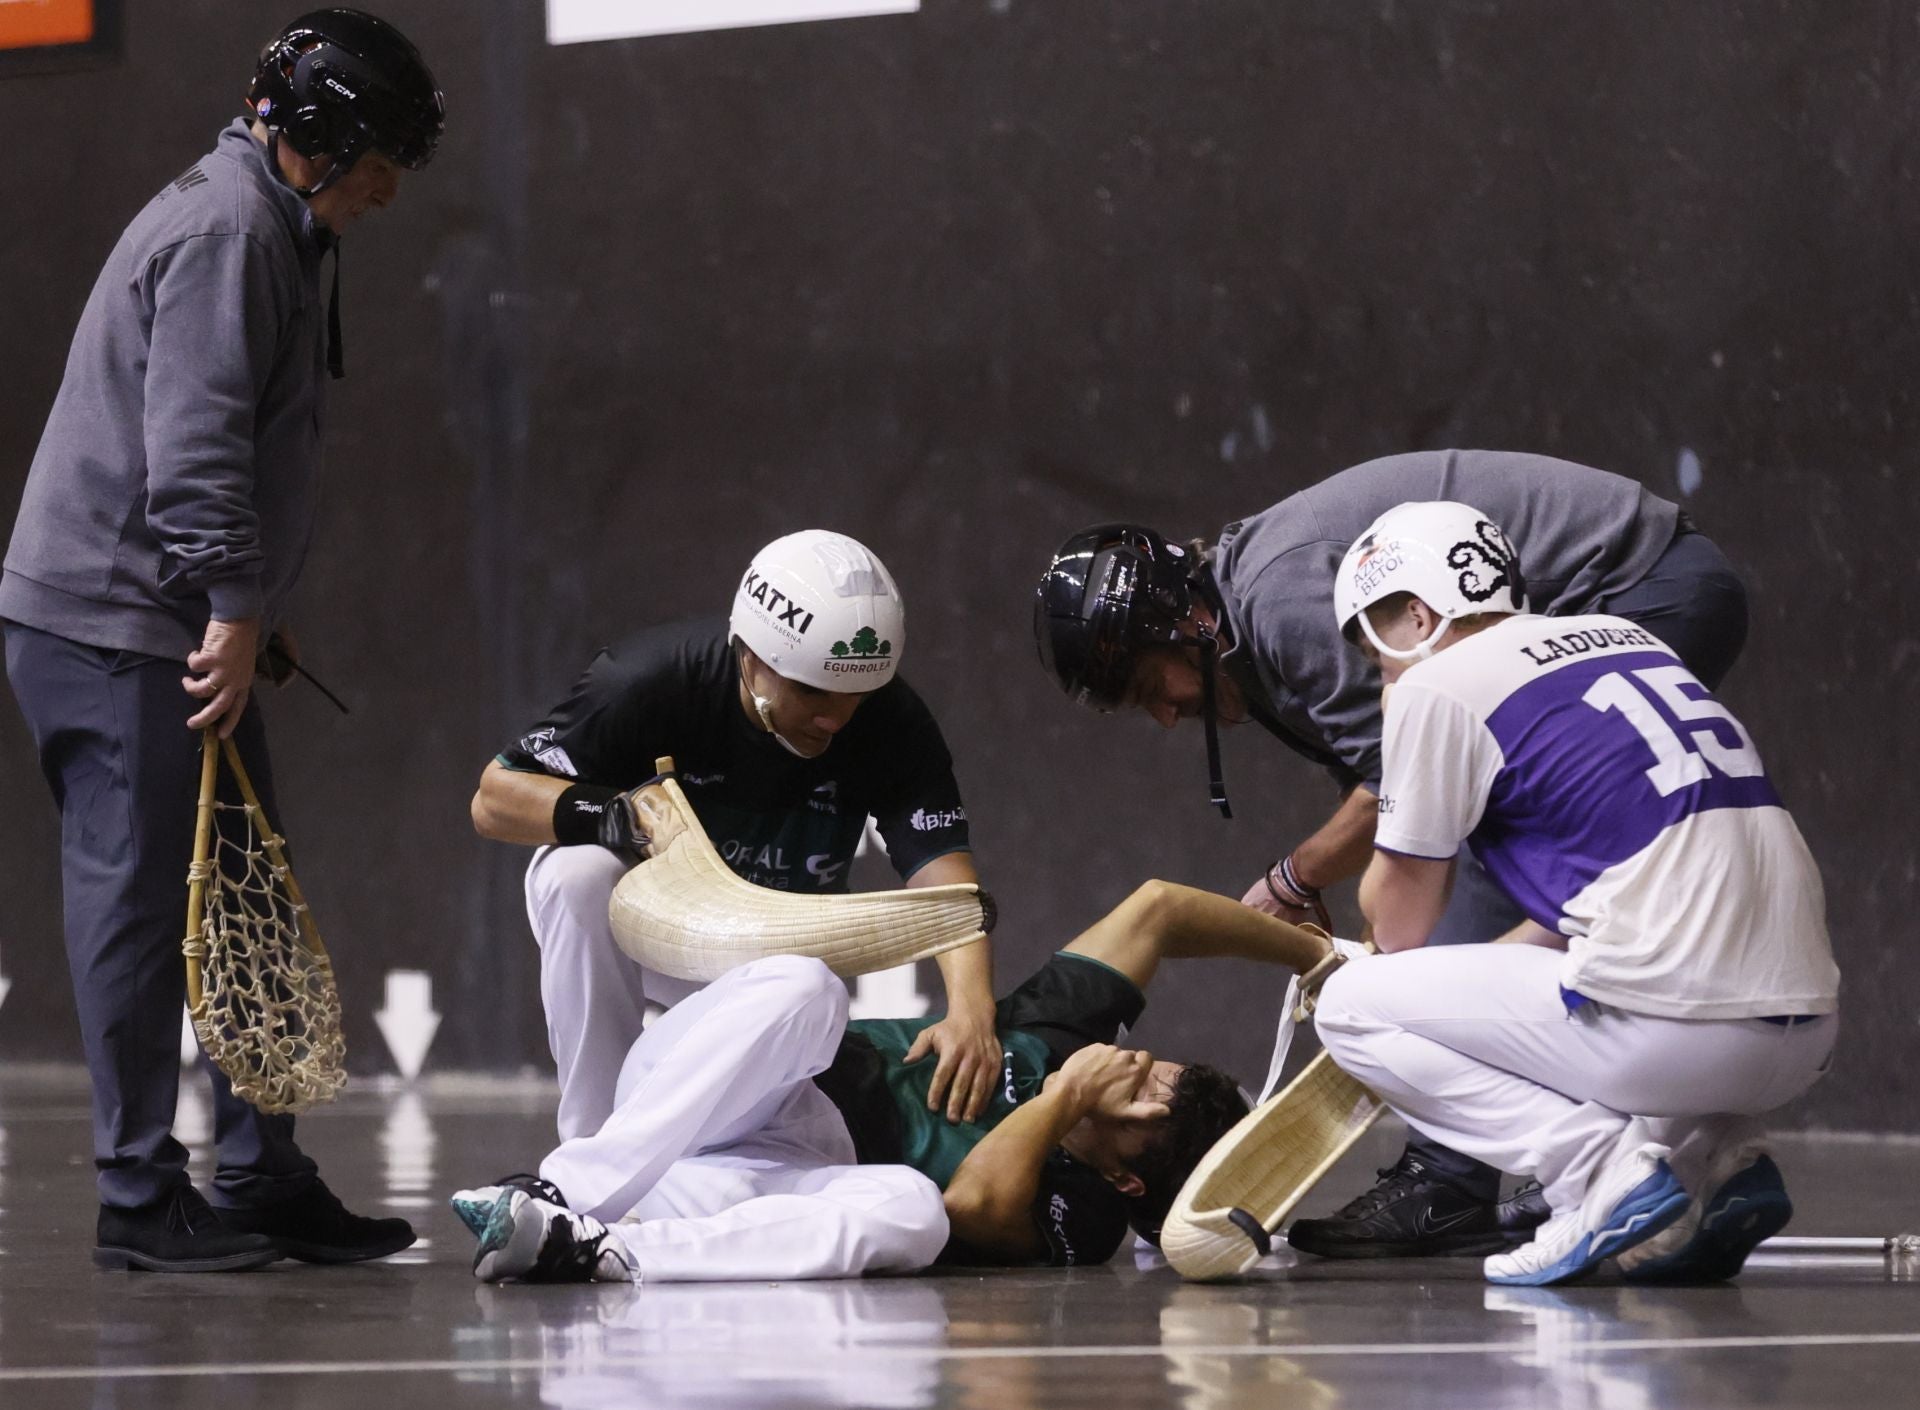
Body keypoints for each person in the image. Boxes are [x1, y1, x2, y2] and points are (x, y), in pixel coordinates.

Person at [1032, 448, 1748, 1258]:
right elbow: (1393, 793)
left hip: (1645, 585)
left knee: (1486, 836)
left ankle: (1453, 1178)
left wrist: (1295, 878)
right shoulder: (1251, 622)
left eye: (1150, 687)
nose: (1166, 715)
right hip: (1651, 581)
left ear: (1188, 625)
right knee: (1537, 873)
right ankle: (1702, 1156)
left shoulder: (1279, 604)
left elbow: (1410, 783)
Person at [0, 10, 444, 1272]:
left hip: (173, 615)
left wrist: (244, 605)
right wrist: (234, 607)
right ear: (318, 139)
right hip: (112, 626)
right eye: (378, 163)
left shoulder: (272, 224)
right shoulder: (229, 233)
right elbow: (191, 454)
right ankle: (137, 1198)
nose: (388, 191)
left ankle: (259, 1174)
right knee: (143, 904)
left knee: (245, 891)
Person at [1310, 500, 1837, 1285]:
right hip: (1803, 1038)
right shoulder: (1630, 639)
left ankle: (1595, 1172)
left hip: (1681, 1032)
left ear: (1416, 617)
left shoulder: (1437, 685)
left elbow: (1398, 928)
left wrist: (1398, 739)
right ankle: (1723, 1159)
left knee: (1351, 1005)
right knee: (1609, 977)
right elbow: (1587, 909)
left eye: (1374, 654)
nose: (1379, 677)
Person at [448, 879, 1334, 1282]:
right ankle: (565, 1187)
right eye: (1156, 1059)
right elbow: (1160, 909)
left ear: (1129, 1176)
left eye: (1144, 1093)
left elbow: (973, 1207)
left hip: (758, 1182)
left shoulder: (1089, 1214)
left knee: (912, 1209)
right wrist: (1320, 957)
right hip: (715, 1097)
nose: (1132, 1061)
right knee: (806, 988)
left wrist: (1063, 1098)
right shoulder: (1062, 1030)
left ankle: (596, 1250)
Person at [470, 529, 1006, 1144]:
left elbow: (945, 880)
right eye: (810, 690)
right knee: (578, 875)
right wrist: (612, 813)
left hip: (772, 955)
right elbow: (493, 798)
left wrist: (973, 1011)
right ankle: (588, 1148)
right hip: (650, 929)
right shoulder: (649, 681)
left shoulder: (893, 721)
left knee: (811, 995)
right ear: (749, 655)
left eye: (856, 695)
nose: (835, 717)